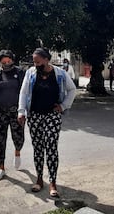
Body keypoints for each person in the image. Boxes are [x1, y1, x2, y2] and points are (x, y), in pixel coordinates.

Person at [17, 48, 76, 198]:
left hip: (52, 115)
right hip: (35, 115)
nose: (35, 64)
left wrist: (63, 106)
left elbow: (72, 89)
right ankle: (39, 179)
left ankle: (52, 182)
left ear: (46, 59)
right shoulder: (30, 73)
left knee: (51, 146)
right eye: (34, 62)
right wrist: (21, 111)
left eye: (38, 61)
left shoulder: (60, 74)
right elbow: (23, 93)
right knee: (38, 147)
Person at [0, 50, 25, 181]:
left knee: (18, 137)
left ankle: (17, 152)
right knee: (0, 140)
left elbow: (25, 91)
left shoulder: (19, 73)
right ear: (0, 61)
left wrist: (24, 109)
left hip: (16, 112)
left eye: (9, 61)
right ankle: (1, 167)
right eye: (4, 61)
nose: (7, 63)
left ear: (13, 60)